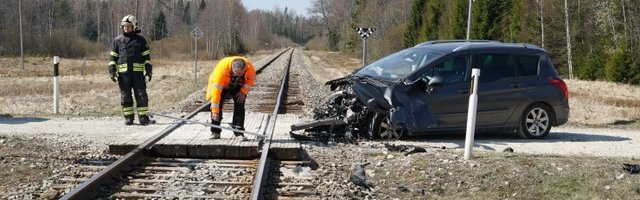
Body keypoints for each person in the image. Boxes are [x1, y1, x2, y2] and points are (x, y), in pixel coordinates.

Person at [108, 14, 153, 126]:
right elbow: (113, 57)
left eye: (128, 26)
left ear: (134, 26)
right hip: (124, 75)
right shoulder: (117, 41)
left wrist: (148, 70)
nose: (126, 28)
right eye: (124, 26)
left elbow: (146, 57)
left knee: (141, 95)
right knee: (125, 96)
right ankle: (129, 118)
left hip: (138, 75)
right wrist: (112, 71)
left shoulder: (141, 40)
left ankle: (143, 118)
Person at [206, 57, 256, 140]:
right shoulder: (221, 72)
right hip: (223, 85)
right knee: (216, 106)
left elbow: (251, 79)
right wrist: (215, 111)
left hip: (238, 84)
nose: (238, 74)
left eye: (241, 73)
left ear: (245, 69)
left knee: (240, 103)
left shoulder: (250, 68)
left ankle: (239, 133)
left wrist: (243, 91)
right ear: (232, 68)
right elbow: (216, 94)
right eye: (236, 72)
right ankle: (215, 132)